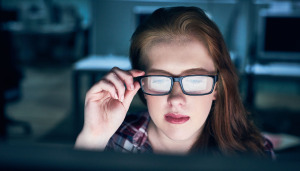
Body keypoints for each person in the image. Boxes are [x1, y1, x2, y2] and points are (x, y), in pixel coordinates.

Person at [75, 6, 275, 158]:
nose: (176, 99)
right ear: (141, 86)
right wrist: (93, 136)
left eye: (196, 80)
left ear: (217, 86)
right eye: (159, 80)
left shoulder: (256, 155)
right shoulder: (112, 142)